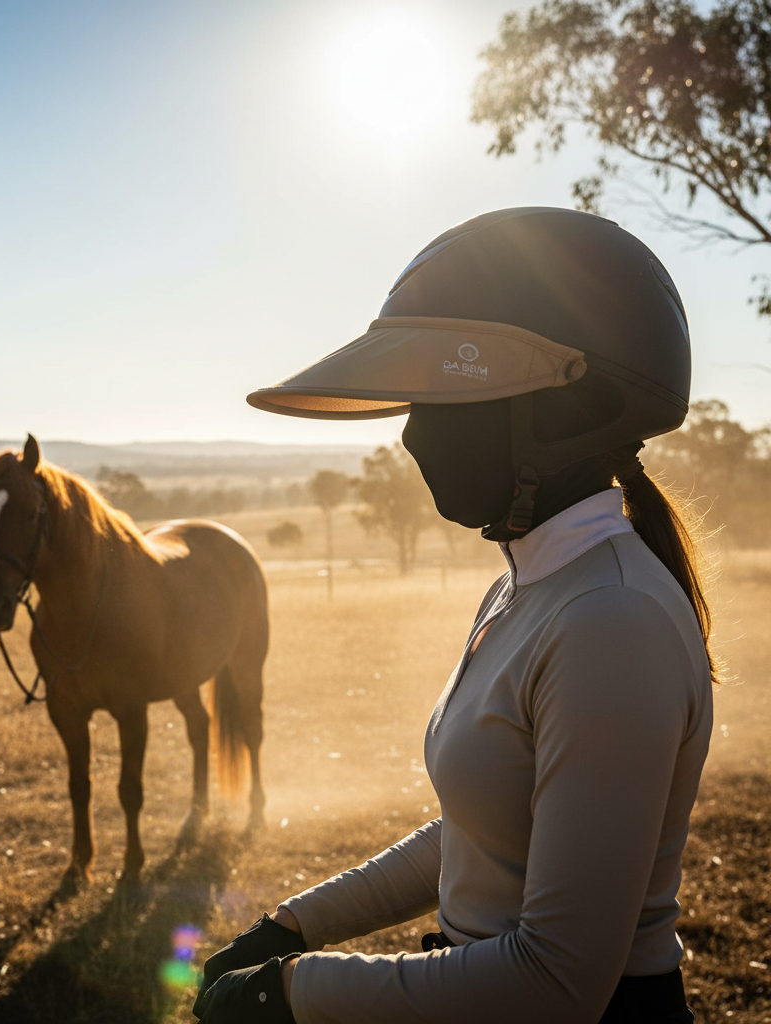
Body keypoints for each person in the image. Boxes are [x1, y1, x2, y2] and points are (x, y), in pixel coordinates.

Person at [192, 208, 714, 1024]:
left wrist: (293, 993)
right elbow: (484, 827)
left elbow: (556, 981)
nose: (412, 434)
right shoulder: (533, 586)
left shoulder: (611, 620)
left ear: (558, 409)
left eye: (446, 399)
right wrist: (292, 926)